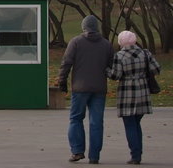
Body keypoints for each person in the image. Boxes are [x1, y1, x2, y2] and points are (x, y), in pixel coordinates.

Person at [58, 15, 114, 164]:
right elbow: (111, 66)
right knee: (96, 122)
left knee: (76, 119)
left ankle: (77, 151)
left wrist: (62, 81)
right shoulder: (107, 44)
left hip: (80, 88)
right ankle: (94, 156)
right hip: (99, 88)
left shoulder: (75, 42)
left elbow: (66, 63)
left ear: (84, 27)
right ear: (97, 27)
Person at [107, 30, 161, 165]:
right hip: (143, 91)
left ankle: (135, 155)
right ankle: (138, 152)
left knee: (130, 124)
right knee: (136, 123)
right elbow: (157, 69)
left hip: (127, 92)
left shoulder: (119, 56)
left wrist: (106, 70)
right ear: (135, 40)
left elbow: (116, 76)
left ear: (120, 43)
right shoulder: (145, 53)